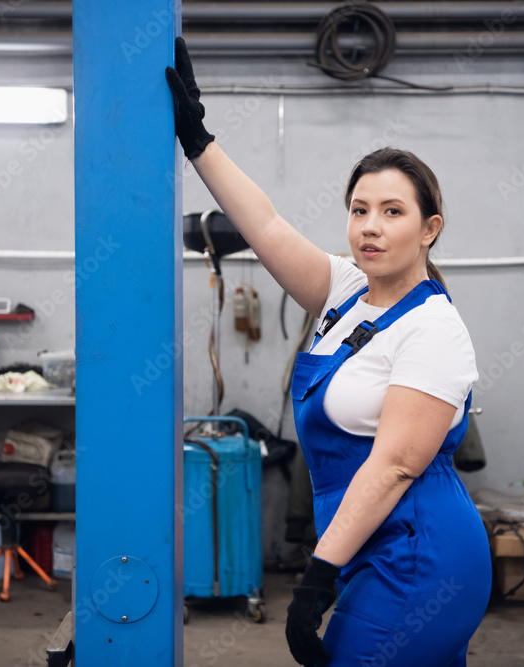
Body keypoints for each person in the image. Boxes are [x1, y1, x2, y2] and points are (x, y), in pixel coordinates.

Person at [166, 38, 491, 666]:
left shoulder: (433, 331)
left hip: (421, 562)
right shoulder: (344, 291)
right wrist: (197, 140)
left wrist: (316, 574)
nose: (370, 225)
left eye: (392, 211)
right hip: (366, 552)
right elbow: (264, 225)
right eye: (359, 209)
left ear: (430, 229)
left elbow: (394, 466)